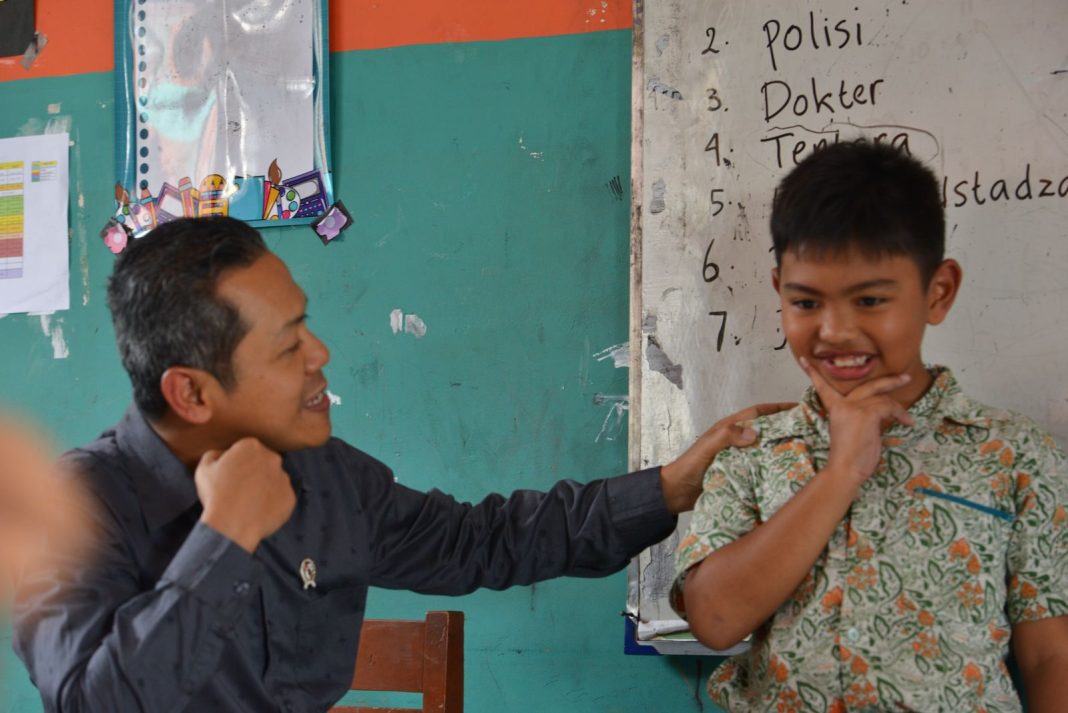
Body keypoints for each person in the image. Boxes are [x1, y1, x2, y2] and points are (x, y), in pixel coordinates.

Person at [12, 216, 790, 712]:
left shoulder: (325, 477)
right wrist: (224, 537)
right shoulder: (76, 505)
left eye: (305, 325)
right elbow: (91, 700)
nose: (322, 356)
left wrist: (668, 487)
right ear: (191, 391)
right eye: (288, 346)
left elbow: (482, 539)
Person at [672, 141, 1068, 712]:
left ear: (939, 292)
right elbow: (714, 618)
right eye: (806, 303)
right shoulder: (754, 449)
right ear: (779, 288)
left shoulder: (1012, 453)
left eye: (870, 300)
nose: (834, 330)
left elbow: (1049, 655)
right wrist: (841, 473)